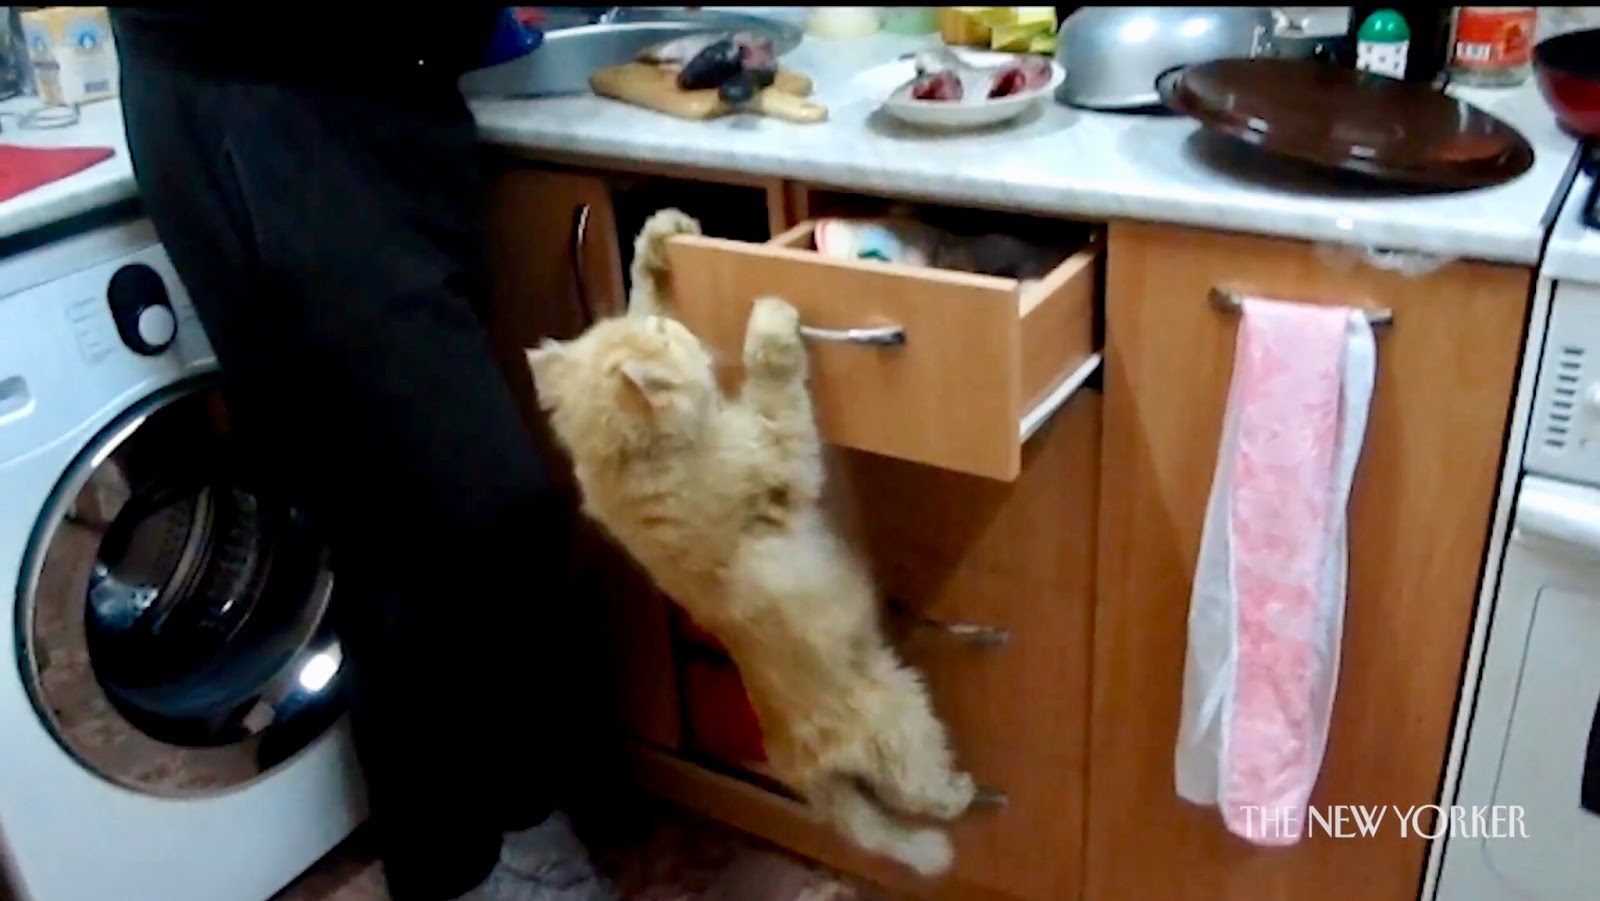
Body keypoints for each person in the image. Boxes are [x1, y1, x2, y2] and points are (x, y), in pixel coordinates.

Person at [107, 9, 615, 901]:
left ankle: (496, 825)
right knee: (438, 513)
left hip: (386, 102)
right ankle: (468, 855)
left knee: (429, 512)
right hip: (265, 102)